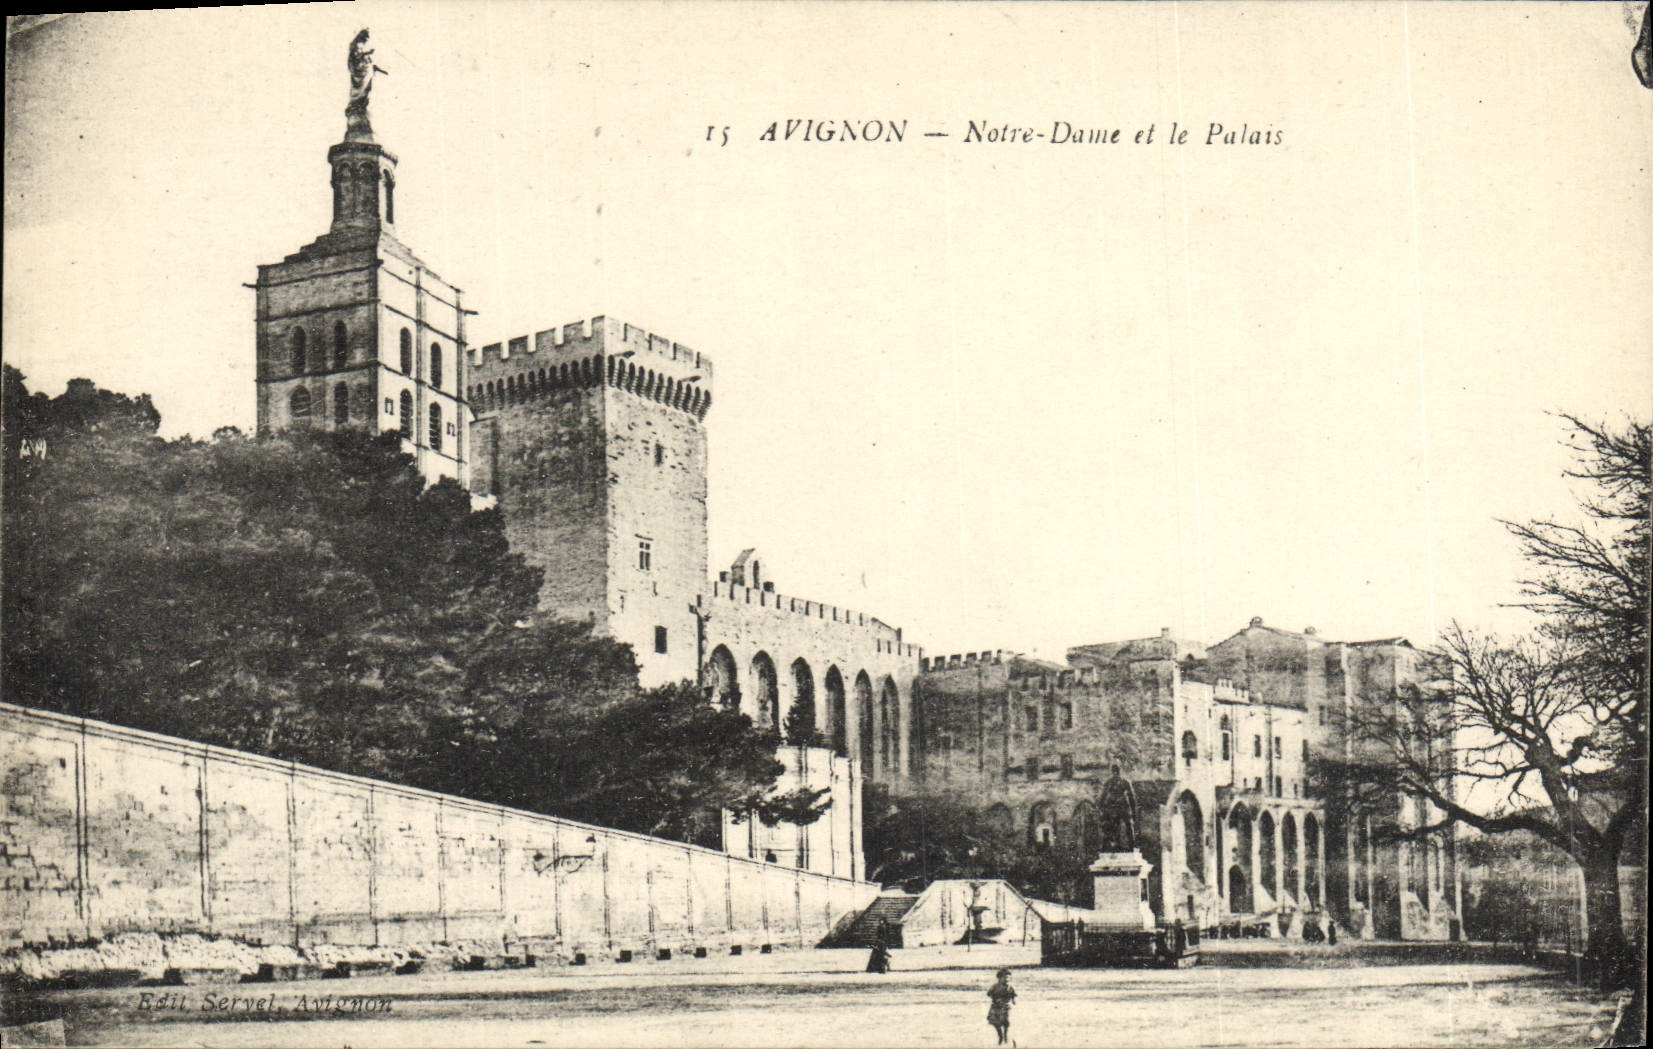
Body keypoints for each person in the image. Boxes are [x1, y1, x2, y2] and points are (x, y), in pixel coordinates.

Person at [987, 968, 1016, 1046]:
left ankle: (1005, 1036)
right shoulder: (995, 986)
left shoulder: (1009, 987)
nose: (1007, 979)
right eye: (1005, 977)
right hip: (995, 1006)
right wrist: (995, 999)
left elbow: (1013, 994)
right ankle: (1000, 1035)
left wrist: (1013, 1000)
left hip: (1005, 1006)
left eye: (1008, 978)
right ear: (999, 978)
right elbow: (989, 994)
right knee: (996, 1022)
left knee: (1005, 1022)